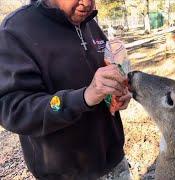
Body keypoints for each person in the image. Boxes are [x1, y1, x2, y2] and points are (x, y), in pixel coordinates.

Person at [0, 0, 132, 179]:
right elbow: (14, 109)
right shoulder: (17, 31)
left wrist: (118, 93)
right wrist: (82, 98)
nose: (87, 3)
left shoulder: (90, 23)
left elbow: (108, 72)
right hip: (66, 174)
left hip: (115, 161)